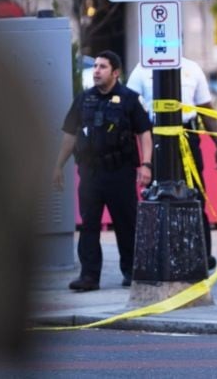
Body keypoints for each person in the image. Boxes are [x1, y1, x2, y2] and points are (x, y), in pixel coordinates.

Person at [53, 51, 153, 291]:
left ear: (115, 72)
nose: (96, 71)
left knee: (126, 223)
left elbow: (144, 133)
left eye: (103, 67)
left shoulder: (130, 99)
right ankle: (89, 276)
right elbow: (69, 134)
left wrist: (146, 164)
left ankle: (131, 271)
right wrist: (58, 165)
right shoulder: (84, 99)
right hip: (91, 172)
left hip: (120, 171)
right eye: (95, 66)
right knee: (89, 225)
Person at [126, 57, 217, 270]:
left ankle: (202, 255)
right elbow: (129, 106)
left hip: (187, 136)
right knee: (157, 196)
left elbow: (205, 109)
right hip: (157, 137)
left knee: (196, 194)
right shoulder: (142, 68)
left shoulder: (192, 67)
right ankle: (158, 255)